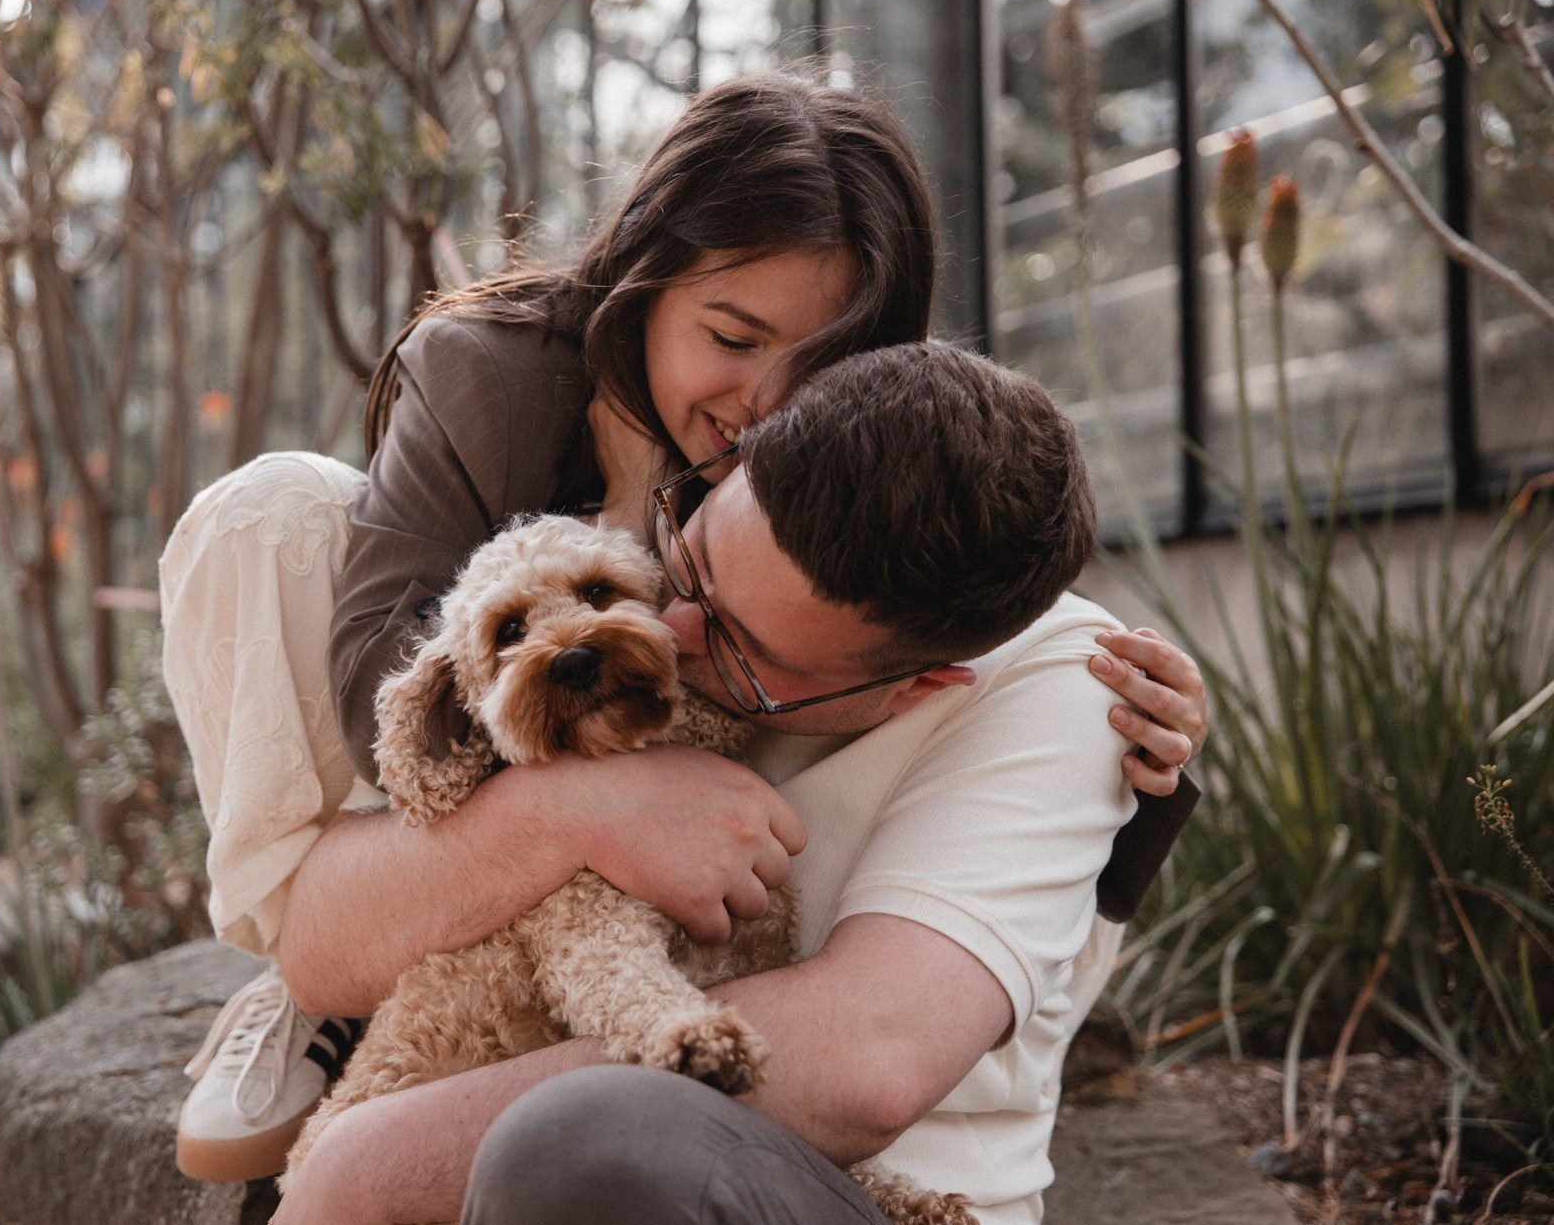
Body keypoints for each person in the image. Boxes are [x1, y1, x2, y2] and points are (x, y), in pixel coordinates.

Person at [158, 73, 1207, 1187]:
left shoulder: (878, 539)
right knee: (273, 512)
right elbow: (388, 712)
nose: (766, 403)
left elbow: (979, 563)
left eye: (819, 369)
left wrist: (1132, 747)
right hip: (455, 741)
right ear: (645, 278)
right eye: (732, 338)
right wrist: (587, 787)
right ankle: (309, 997)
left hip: (711, 1027)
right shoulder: (498, 384)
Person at [272, 341, 1138, 1224]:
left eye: (743, 646)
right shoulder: (620, 593)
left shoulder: (1073, 683)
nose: (674, 630)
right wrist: (570, 812)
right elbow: (317, 951)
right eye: (691, 564)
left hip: (829, 1196)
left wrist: (369, 1163)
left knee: (571, 1140)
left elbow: (869, 1065)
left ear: (918, 686)